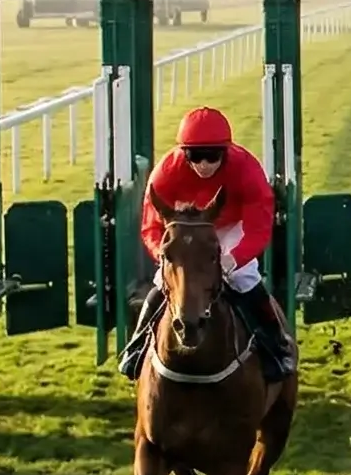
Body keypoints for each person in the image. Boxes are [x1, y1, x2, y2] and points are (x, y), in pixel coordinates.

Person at [123, 107, 295, 381]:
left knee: (244, 277)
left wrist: (234, 258)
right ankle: (136, 346)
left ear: (227, 151)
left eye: (212, 156)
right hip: (186, 229)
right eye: (195, 156)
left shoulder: (247, 169)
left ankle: (276, 346)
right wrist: (164, 257)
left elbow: (259, 227)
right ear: (183, 154)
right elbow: (151, 227)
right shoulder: (165, 172)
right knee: (160, 281)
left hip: (230, 227)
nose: (204, 164)